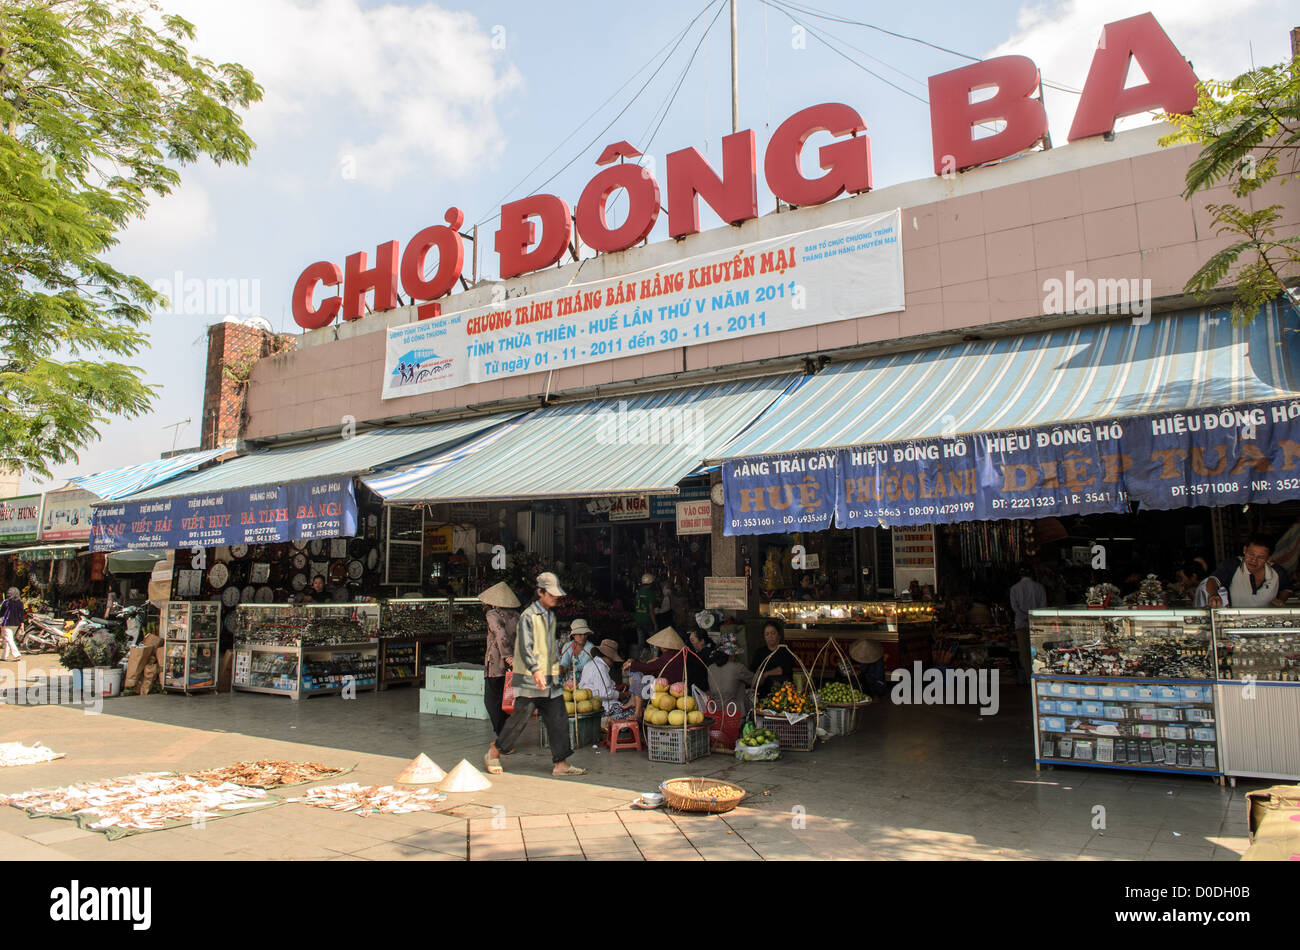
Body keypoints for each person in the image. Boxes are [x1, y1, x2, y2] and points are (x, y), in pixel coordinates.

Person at [486, 572, 586, 777]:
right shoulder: (528, 616)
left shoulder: (548, 616)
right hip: (531, 678)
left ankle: (561, 763)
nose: (555, 598)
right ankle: (494, 752)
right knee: (520, 718)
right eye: (551, 594)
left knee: (557, 718)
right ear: (540, 593)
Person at [479, 581, 521, 739]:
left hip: (497, 664)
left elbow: (500, 635)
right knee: (507, 701)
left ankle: (503, 736)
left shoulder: (492, 615)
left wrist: (508, 656)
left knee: (492, 701)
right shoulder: (517, 616)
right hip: (514, 665)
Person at [1207, 535, 1294, 608]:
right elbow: (1212, 580)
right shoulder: (1232, 566)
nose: (1254, 560)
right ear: (1244, 550)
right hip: (1237, 620)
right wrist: (1214, 594)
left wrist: (1281, 600)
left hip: (1268, 621)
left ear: (1269, 559)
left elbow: (1287, 588)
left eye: (1261, 557)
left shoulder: (1277, 572)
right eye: (1251, 554)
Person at [623, 626, 709, 699]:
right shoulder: (676, 654)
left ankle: (635, 707)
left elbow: (648, 668)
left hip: (669, 689)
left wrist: (632, 664)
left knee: (636, 676)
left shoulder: (668, 656)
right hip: (677, 687)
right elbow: (655, 664)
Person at [581, 639, 638, 722]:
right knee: (635, 712)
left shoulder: (590, 664)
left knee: (630, 703)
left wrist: (618, 690)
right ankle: (605, 721)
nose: (613, 662)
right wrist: (621, 695)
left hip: (593, 704)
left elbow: (603, 686)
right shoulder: (600, 667)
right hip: (603, 707)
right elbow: (604, 693)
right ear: (609, 657)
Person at [1009, 565, 1046, 685]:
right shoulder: (1039, 587)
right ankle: (1040, 676)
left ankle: (1030, 679)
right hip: (1037, 624)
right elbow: (1043, 605)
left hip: (1021, 624)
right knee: (1039, 651)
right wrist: (1033, 616)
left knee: (1025, 653)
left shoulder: (1014, 588)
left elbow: (1015, 608)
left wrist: (1024, 616)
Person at [706, 631, 753, 716]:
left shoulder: (710, 668)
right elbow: (756, 681)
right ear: (731, 654)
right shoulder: (738, 668)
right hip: (735, 716)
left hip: (716, 715)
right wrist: (766, 674)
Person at [752, 619, 797, 692]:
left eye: (773, 633)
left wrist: (766, 674)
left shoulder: (786, 650)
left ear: (779, 635)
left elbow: (783, 669)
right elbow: (754, 671)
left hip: (783, 691)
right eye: (767, 634)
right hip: (764, 691)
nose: (770, 636)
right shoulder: (759, 652)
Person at [633, 573, 656, 651]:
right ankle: (654, 659)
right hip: (648, 620)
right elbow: (651, 610)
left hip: (638, 619)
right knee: (653, 642)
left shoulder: (638, 593)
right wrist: (655, 624)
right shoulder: (650, 593)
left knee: (641, 642)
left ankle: (640, 659)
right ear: (651, 583)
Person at [2, 588, 24, 661]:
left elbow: (1, 612)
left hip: (7, 623)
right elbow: (21, 614)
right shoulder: (20, 603)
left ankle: (16, 654)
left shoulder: (6, 602)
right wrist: (21, 624)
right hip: (16, 623)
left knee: (9, 639)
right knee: (7, 639)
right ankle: (4, 656)